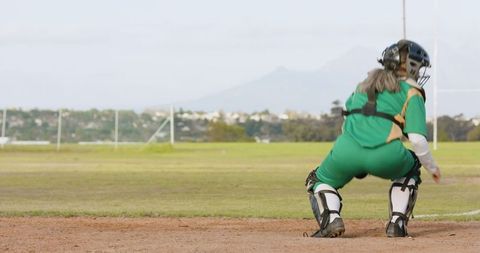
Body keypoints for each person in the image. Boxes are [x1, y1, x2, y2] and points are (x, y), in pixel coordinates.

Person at [305, 39, 441, 238]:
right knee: (412, 166)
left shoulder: (362, 87)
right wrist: (432, 168)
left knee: (318, 180)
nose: (419, 73)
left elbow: (346, 123)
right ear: (411, 66)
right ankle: (397, 223)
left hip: (346, 150)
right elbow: (417, 140)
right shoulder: (412, 92)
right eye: (419, 68)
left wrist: (357, 161)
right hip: (386, 156)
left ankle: (331, 219)